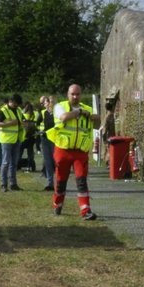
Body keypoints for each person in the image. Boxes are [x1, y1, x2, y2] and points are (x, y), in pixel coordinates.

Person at [50, 83, 99, 220]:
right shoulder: (59, 106)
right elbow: (64, 117)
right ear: (68, 94)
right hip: (63, 150)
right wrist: (79, 113)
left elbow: (98, 124)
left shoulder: (88, 109)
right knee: (61, 180)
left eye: (78, 94)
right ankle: (57, 204)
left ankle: (86, 210)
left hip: (80, 151)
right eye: (73, 94)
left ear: (81, 95)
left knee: (81, 180)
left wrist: (96, 117)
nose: (75, 96)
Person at [0, 94, 27, 191]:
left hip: (17, 139)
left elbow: (22, 120)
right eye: (16, 103)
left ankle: (13, 184)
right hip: (7, 140)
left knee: (14, 163)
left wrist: (25, 122)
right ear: (12, 101)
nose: (17, 106)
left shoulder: (18, 110)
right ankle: (3, 185)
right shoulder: (3, 111)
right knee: (5, 162)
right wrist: (9, 123)